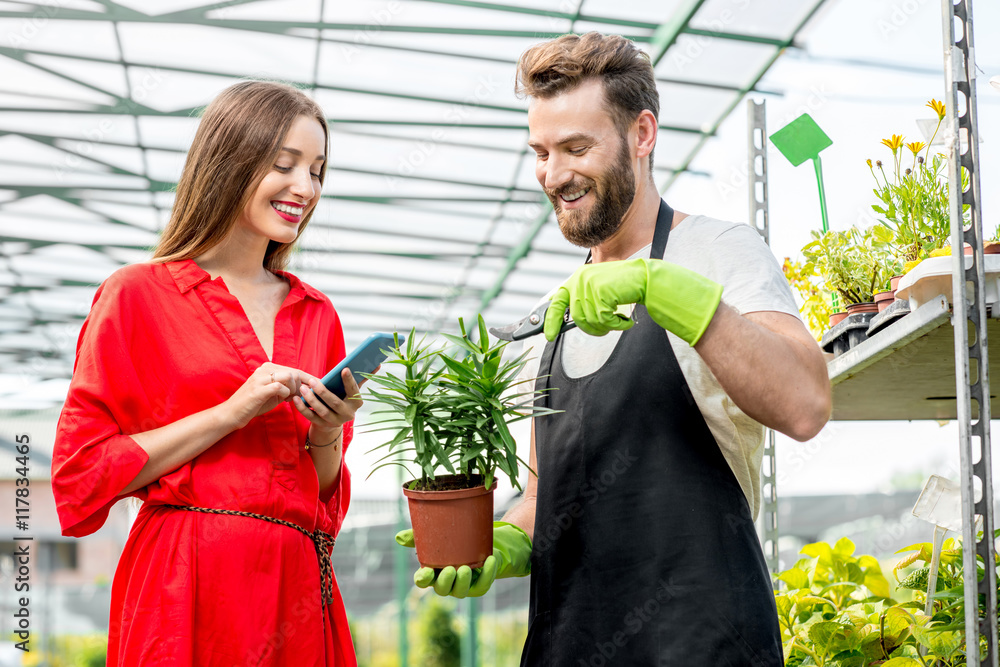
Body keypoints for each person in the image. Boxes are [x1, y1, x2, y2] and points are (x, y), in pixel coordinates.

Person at [397, 32, 832, 665]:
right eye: (540, 152)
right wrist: (507, 542)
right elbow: (549, 494)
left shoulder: (717, 252)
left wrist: (670, 291)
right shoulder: (555, 315)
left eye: (576, 148)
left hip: (705, 646)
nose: (554, 174)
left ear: (642, 134)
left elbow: (804, 404)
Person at [51, 81, 362, 667]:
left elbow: (320, 500)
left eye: (318, 170)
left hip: (294, 581)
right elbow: (82, 474)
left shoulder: (316, 312)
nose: (306, 187)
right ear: (230, 162)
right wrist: (230, 412)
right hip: (183, 579)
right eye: (284, 164)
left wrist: (327, 432)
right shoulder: (135, 296)